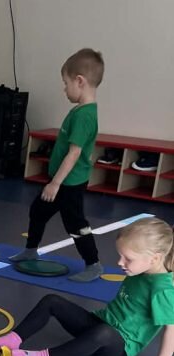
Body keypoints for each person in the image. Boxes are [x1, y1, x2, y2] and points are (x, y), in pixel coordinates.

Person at [0, 217, 174, 356]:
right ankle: (14, 339)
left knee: (103, 333)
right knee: (52, 301)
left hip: (119, 346)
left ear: (155, 258)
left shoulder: (162, 289)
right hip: (100, 323)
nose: (119, 262)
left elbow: (171, 329)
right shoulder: (141, 268)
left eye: (128, 259)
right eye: (121, 256)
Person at [10, 48, 104, 282]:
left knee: (75, 223)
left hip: (69, 183)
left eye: (66, 83)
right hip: (62, 180)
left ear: (79, 81)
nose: (64, 89)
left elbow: (74, 153)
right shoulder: (80, 111)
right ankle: (31, 250)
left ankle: (93, 264)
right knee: (38, 211)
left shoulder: (84, 116)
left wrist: (55, 183)